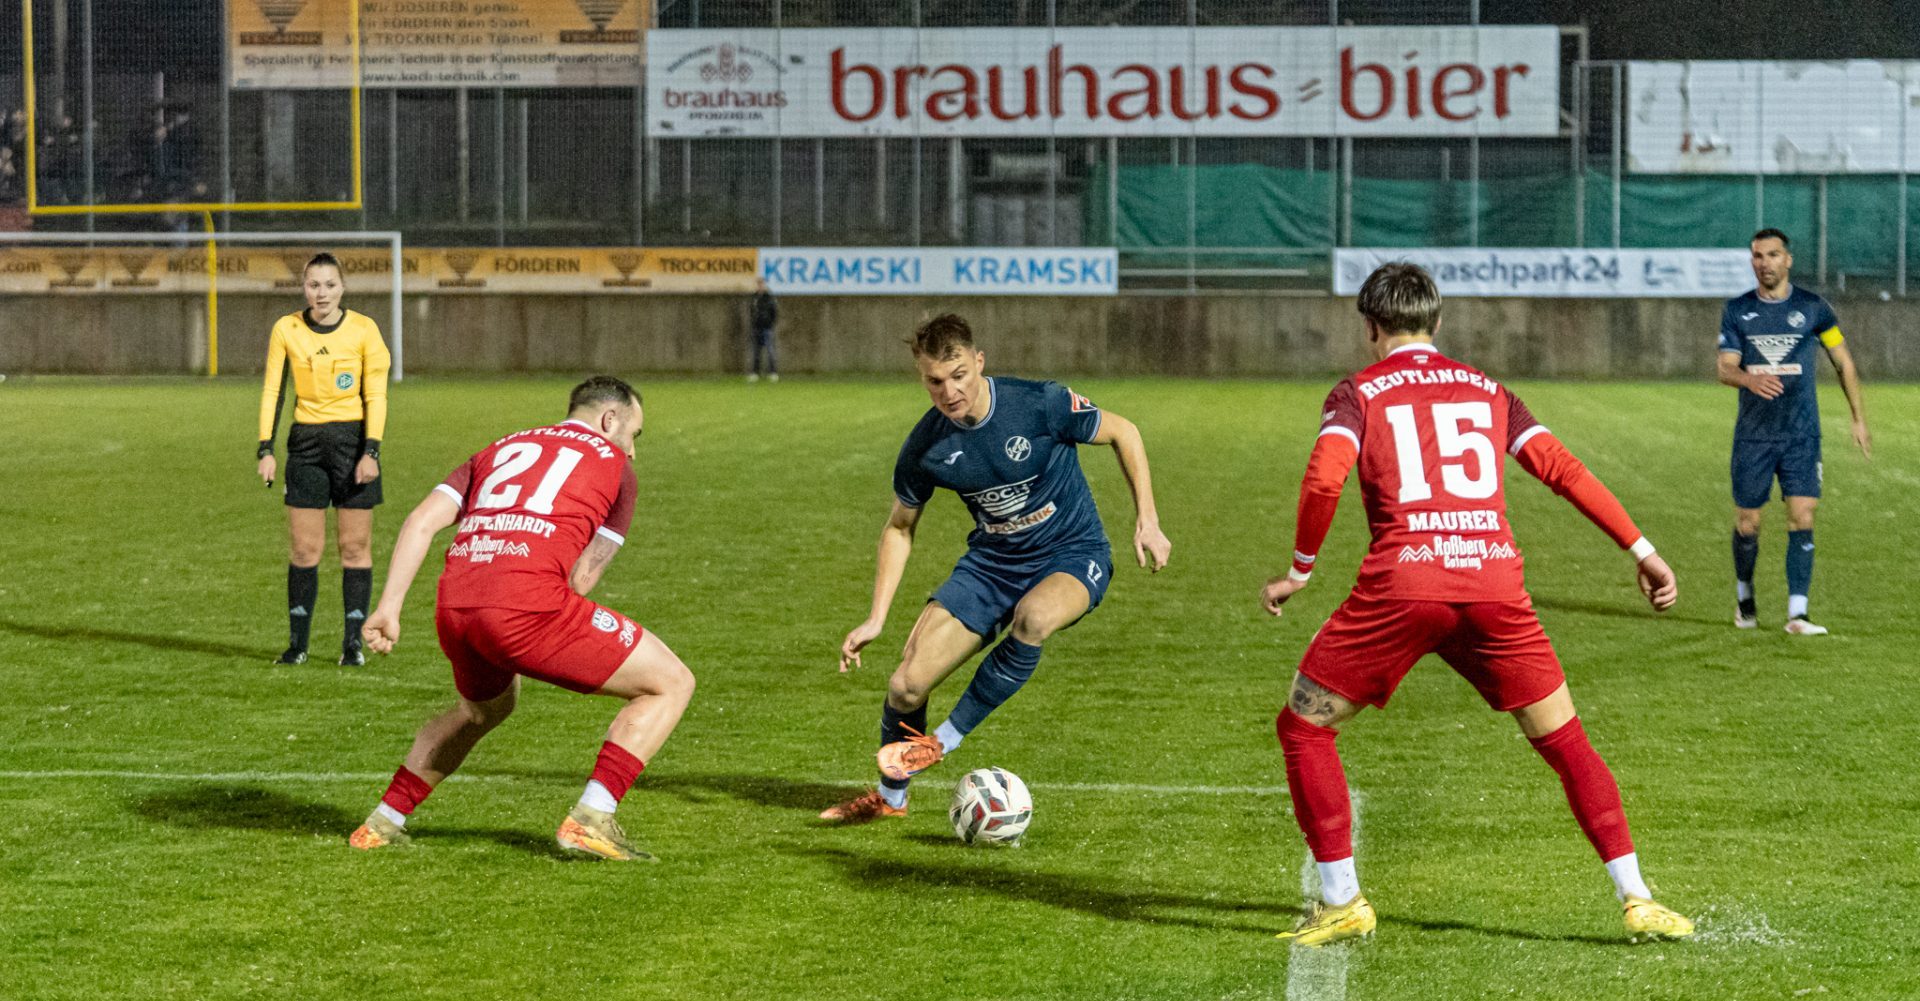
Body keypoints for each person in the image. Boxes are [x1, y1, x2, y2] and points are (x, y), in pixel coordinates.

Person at [1262, 263, 1693, 946]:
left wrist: (1300, 568)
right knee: (1565, 740)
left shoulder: (1359, 391)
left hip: (1403, 587)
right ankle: (1637, 895)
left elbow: (1324, 476)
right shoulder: (1490, 390)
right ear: (1438, 324)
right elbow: (1562, 469)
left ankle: (1342, 898)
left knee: (1305, 728)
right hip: (1494, 585)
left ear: (1371, 325)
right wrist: (1640, 549)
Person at [821, 314, 1172, 822]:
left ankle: (941, 741)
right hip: (992, 564)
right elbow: (899, 527)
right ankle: (891, 800)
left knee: (1033, 618)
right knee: (905, 686)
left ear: (979, 361)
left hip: (1072, 553)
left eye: (959, 374)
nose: (949, 391)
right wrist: (876, 617)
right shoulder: (927, 446)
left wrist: (1147, 521)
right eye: (934, 381)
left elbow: (1124, 431)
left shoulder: (1039, 404)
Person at [348, 376, 696, 861]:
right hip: (524, 609)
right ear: (609, 420)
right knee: (671, 682)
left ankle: (383, 821)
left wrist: (388, 606)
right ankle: (591, 818)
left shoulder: (500, 447)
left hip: (456, 608)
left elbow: (422, 520)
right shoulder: (616, 467)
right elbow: (580, 582)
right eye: (634, 434)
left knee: (484, 711)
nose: (632, 450)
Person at [1717, 228, 1870, 635]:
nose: (1763, 263)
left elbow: (1843, 362)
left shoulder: (1814, 308)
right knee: (1748, 522)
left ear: (1788, 260)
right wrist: (1749, 380)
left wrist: (1857, 418)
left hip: (1801, 434)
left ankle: (1797, 614)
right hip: (1753, 435)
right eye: (1756, 256)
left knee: (1802, 515)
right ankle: (1745, 598)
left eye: (1771, 255)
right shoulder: (1738, 311)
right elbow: (1724, 367)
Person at [256, 252, 391, 666]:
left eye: (330, 284)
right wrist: (266, 448)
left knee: (354, 548)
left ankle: (352, 644)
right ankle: (298, 645)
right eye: (314, 285)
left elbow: (375, 394)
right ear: (304, 288)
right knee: (304, 550)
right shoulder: (287, 328)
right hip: (306, 447)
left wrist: (371, 450)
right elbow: (273, 391)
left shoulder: (365, 330)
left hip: (352, 444)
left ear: (342, 288)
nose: (322, 293)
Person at [748, 278, 779, 383]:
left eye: (761, 284)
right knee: (756, 352)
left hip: (767, 328)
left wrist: (770, 323)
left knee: (770, 351)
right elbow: (751, 312)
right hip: (756, 327)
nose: (760, 286)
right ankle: (755, 373)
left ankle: (773, 373)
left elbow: (774, 313)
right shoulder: (754, 298)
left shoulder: (770, 298)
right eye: (758, 284)